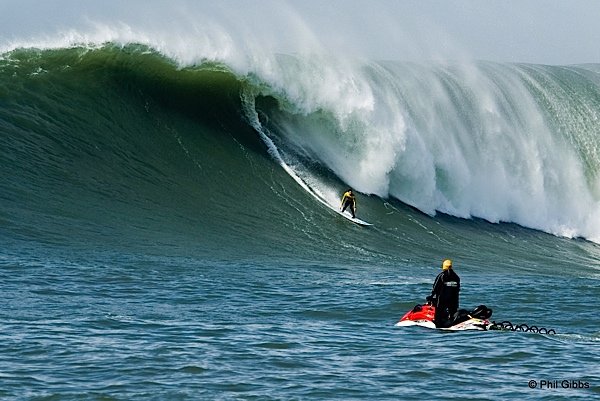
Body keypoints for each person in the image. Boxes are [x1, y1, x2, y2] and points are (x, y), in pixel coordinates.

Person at [426, 259, 460, 328]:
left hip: (442, 299)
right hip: (454, 299)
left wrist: (431, 296)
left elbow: (435, 287)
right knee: (453, 313)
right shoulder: (456, 277)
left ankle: (439, 325)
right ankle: (452, 324)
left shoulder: (441, 276)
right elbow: (458, 289)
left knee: (439, 313)